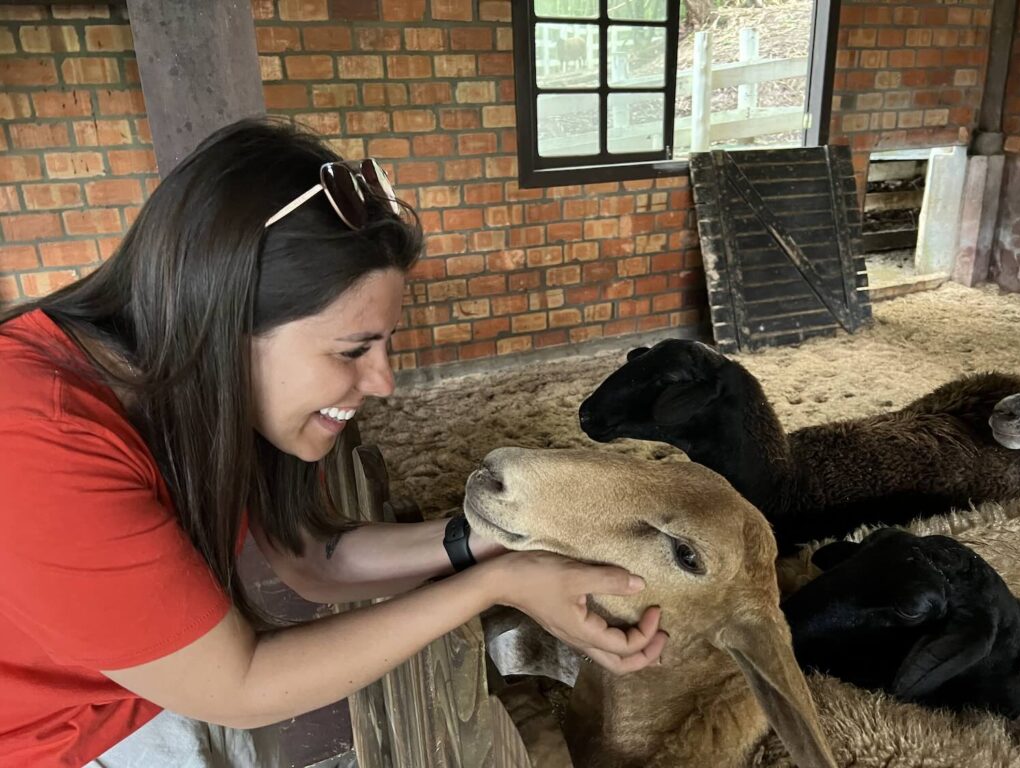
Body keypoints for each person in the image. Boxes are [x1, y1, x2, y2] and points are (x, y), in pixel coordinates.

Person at [0, 118, 667, 767]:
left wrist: (515, 536)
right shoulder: (37, 440)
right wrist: (499, 581)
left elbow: (312, 556)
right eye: (353, 349)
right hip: (55, 740)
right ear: (222, 322)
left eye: (384, 344)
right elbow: (241, 685)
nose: (381, 381)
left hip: (143, 691)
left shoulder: (203, 392)